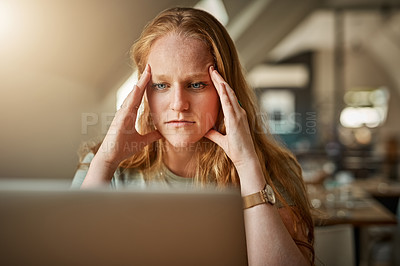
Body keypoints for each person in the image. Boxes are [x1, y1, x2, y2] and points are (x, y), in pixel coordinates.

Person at [72, 7, 314, 265]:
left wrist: (247, 167)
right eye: (161, 85)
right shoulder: (105, 166)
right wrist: (105, 163)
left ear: (226, 89)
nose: (178, 104)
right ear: (143, 91)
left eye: (196, 84)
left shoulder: (273, 171)